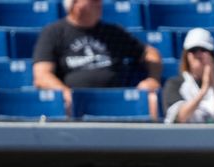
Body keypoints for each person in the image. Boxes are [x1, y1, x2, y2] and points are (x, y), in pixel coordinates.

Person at [33, 0, 162, 112]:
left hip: (117, 102)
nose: (100, 3)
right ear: (75, 3)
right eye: (94, 0)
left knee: (151, 99)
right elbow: (42, 76)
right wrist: (65, 93)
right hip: (75, 104)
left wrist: (152, 79)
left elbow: (151, 53)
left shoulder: (113, 33)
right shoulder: (53, 33)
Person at [162, 28, 214, 124]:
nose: (198, 54)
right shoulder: (174, 84)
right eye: (193, 50)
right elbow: (181, 117)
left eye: (204, 50)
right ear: (186, 56)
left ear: (212, 55)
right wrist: (203, 90)